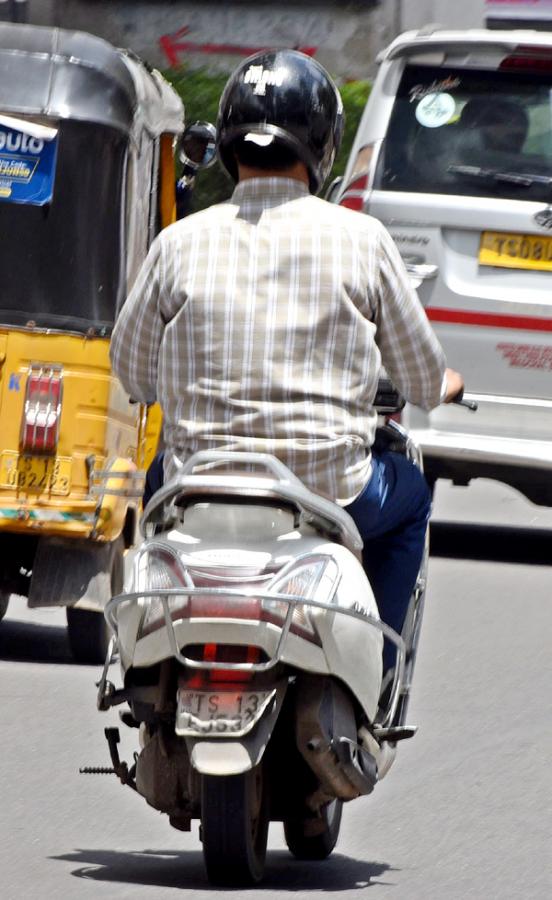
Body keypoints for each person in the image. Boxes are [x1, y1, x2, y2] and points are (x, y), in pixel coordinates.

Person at [110, 49, 464, 680]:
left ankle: (139, 667)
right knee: (409, 497)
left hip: (198, 489)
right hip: (332, 494)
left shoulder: (177, 245)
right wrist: (444, 384)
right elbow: (421, 382)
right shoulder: (362, 240)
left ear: (225, 145)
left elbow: (133, 376)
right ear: (323, 147)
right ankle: (375, 676)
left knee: (159, 464)